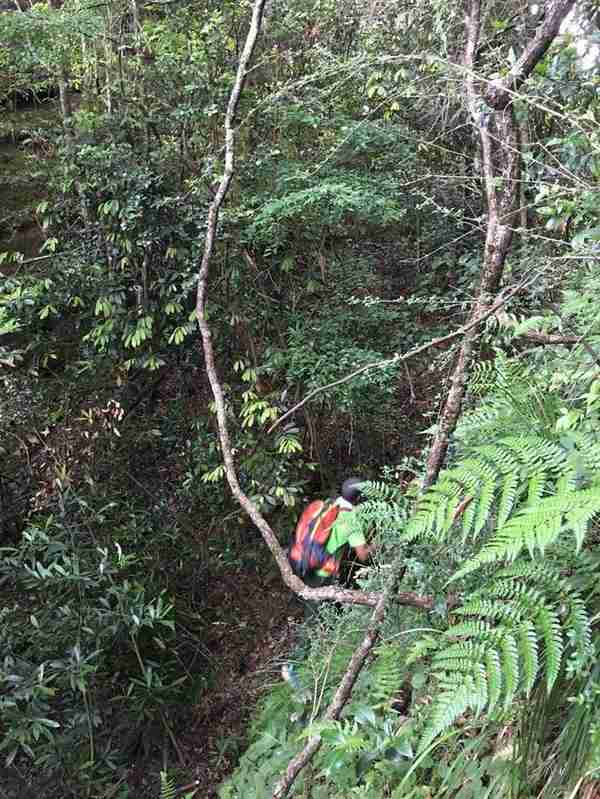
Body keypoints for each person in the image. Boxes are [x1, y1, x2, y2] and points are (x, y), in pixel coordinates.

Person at [300, 477, 375, 616]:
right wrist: (378, 544)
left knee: (310, 607)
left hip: (307, 562)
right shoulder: (351, 520)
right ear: (359, 499)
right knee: (323, 615)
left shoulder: (329, 503)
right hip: (325, 574)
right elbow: (363, 555)